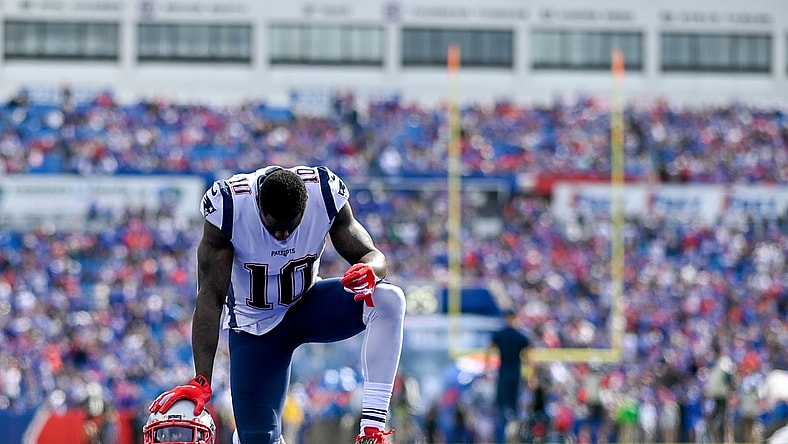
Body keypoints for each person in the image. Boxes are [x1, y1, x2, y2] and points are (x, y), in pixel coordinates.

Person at [148, 166, 406, 444]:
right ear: (258, 204)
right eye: (274, 227)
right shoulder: (230, 207)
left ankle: (372, 429)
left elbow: (372, 255)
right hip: (256, 328)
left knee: (389, 299)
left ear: (306, 207)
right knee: (259, 439)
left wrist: (370, 270)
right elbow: (210, 297)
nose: (282, 235)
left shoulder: (323, 193)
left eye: (290, 227)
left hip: (307, 305)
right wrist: (201, 378)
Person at [484, 308, 532, 443]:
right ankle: (516, 437)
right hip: (515, 371)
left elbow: (488, 350)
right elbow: (530, 358)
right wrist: (530, 377)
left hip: (504, 372)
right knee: (515, 407)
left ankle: (503, 439)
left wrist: (487, 369)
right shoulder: (521, 336)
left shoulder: (500, 334)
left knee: (501, 407)